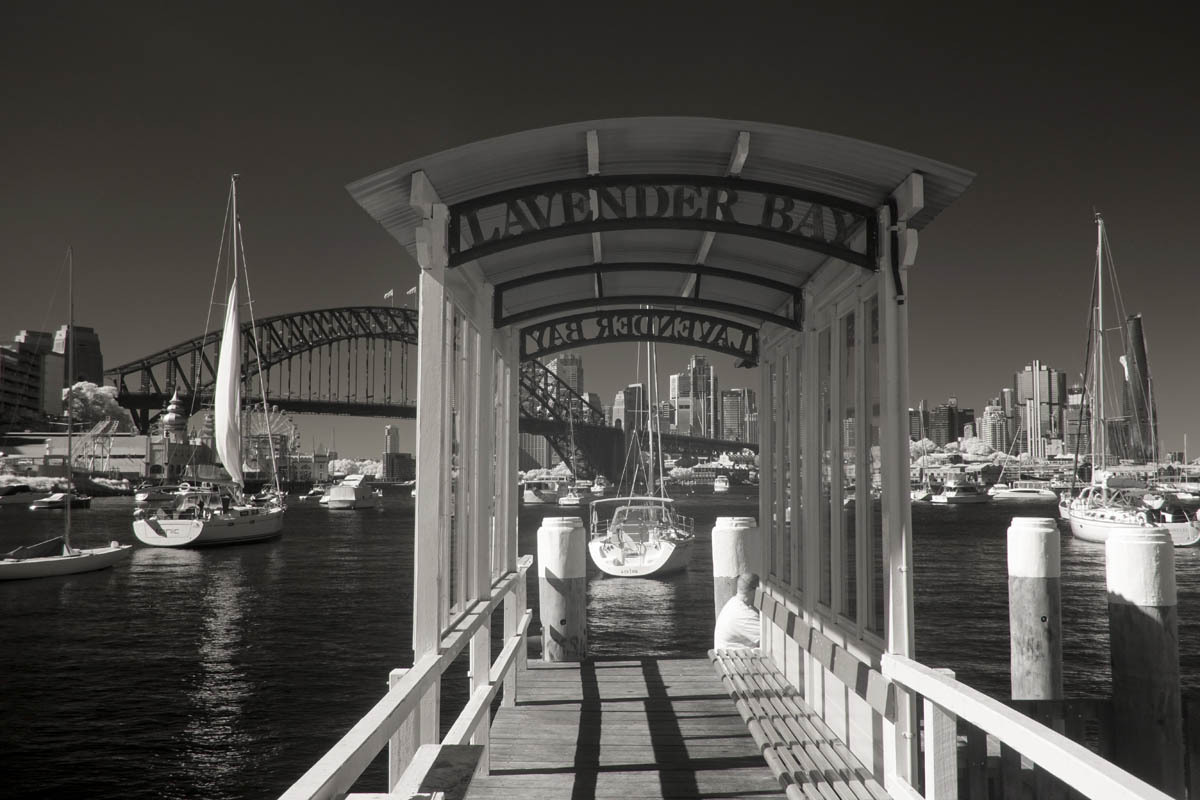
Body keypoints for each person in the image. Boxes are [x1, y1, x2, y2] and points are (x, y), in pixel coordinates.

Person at [714, 573, 760, 650]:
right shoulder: (745, 615)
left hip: (726, 654)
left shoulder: (733, 603)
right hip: (732, 658)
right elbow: (769, 640)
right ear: (755, 590)